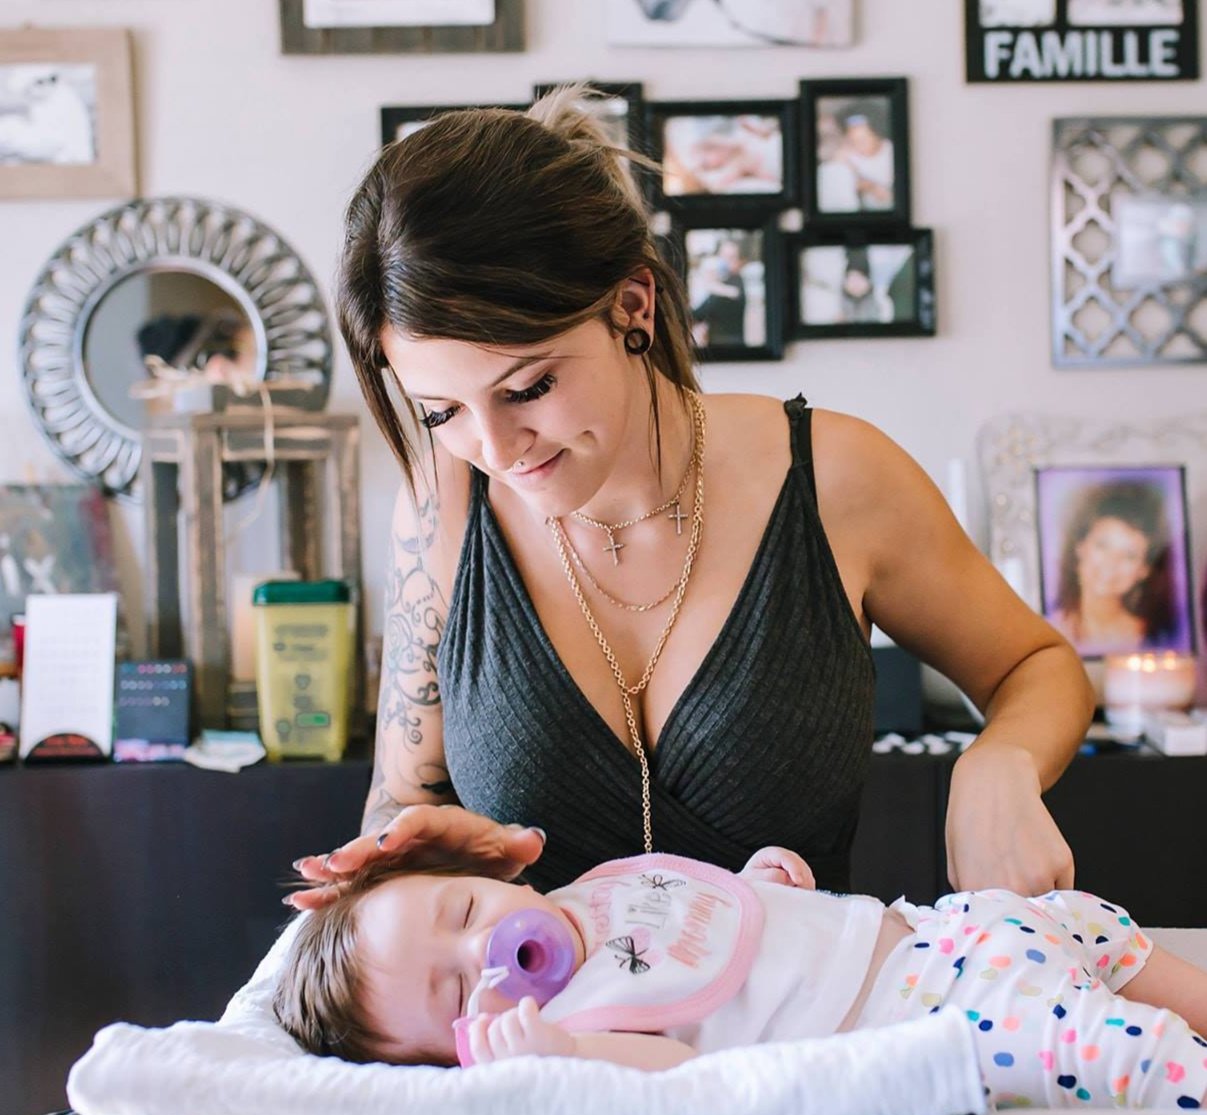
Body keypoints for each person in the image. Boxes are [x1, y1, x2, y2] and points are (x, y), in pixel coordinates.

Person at [288, 85, 1093, 914]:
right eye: (442, 411)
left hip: (795, 1027)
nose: (495, 450)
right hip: (538, 1029)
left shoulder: (834, 477)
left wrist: (998, 759)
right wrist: (410, 861)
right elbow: (401, 800)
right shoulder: (443, 508)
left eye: (528, 387)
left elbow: (1036, 666)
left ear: (630, 305)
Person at [274, 846, 1207, 1111]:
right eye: (452, 992)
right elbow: (675, 1079)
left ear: (491, 875)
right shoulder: (586, 1023)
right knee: (1125, 1053)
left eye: (465, 914)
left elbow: (729, 921)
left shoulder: (605, 891)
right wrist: (550, 1053)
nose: (478, 954)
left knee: (1094, 926)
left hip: (944, 922)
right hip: (947, 1009)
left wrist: (761, 879)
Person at [1049, 480, 1177, 656]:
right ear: (1081, 547)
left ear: (1144, 570)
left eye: (1129, 555)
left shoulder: (1158, 641)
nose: (1111, 563)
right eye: (1103, 545)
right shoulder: (1046, 631)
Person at [690, 239, 747, 345]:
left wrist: (711, 284)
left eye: (731, 257)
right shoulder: (725, 282)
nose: (726, 261)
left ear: (739, 260)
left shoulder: (734, 282)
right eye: (723, 256)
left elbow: (695, 315)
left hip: (727, 346)